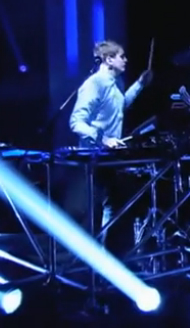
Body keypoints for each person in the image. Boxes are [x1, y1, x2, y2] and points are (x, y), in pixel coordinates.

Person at [66, 40, 153, 252]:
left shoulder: (114, 84)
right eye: (122, 56)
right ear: (108, 59)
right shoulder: (95, 84)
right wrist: (104, 139)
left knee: (115, 210)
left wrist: (140, 84)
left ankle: (111, 257)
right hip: (95, 157)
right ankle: (98, 260)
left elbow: (119, 106)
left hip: (110, 157)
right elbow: (76, 122)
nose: (126, 60)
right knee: (101, 213)